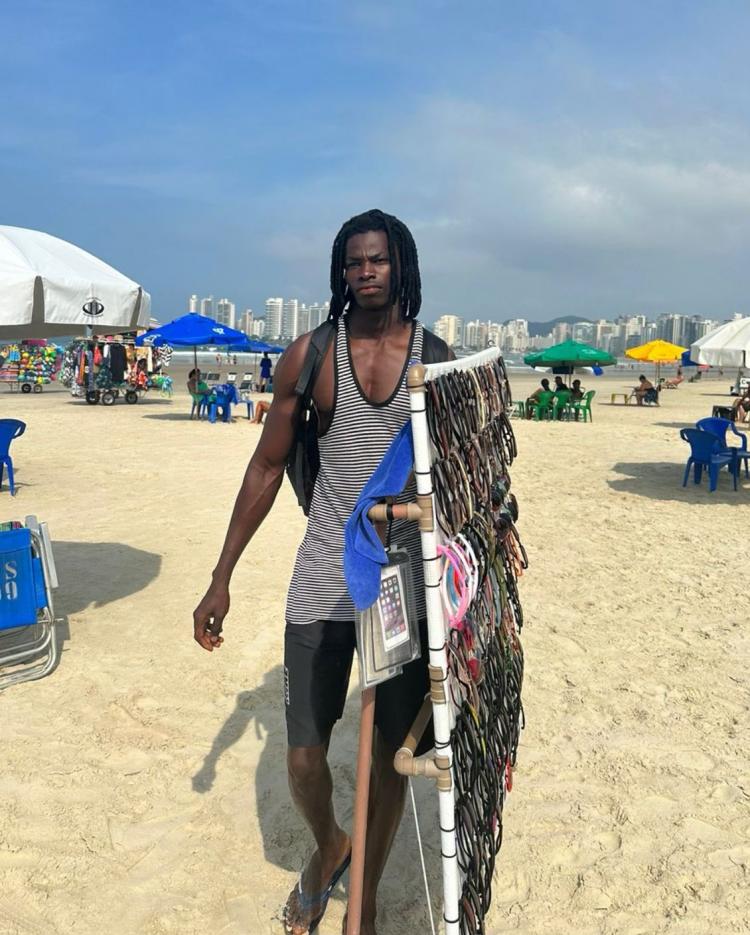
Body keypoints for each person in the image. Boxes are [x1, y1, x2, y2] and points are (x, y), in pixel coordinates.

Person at [192, 209, 453, 935]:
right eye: (353, 262)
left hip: (400, 583)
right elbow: (266, 465)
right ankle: (330, 843)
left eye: (378, 260)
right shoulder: (310, 355)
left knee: (386, 754)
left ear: (401, 265)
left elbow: (460, 471)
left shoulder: (432, 357)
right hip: (323, 571)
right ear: (341, 272)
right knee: (305, 758)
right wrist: (221, 576)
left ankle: (359, 905)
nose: (365, 272)